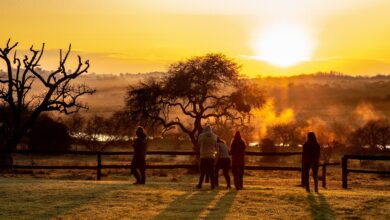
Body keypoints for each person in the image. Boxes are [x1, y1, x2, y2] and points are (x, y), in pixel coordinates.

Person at [196, 125, 217, 190]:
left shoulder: (201, 136)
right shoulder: (215, 136)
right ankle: (213, 185)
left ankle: (200, 184)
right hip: (211, 156)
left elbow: (199, 143)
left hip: (203, 156)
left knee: (202, 172)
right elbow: (215, 145)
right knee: (211, 172)